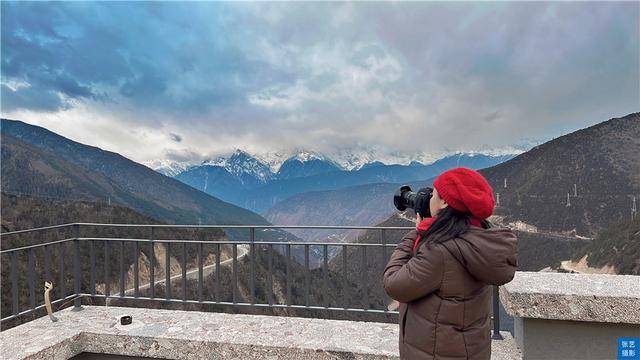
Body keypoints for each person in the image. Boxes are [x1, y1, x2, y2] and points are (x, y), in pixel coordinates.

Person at [383, 167, 518, 359]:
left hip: (435, 352)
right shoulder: (478, 239)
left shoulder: (440, 250)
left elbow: (394, 284)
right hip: (468, 349)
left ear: (445, 202)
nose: (429, 198)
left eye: (434, 194)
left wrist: (417, 232)